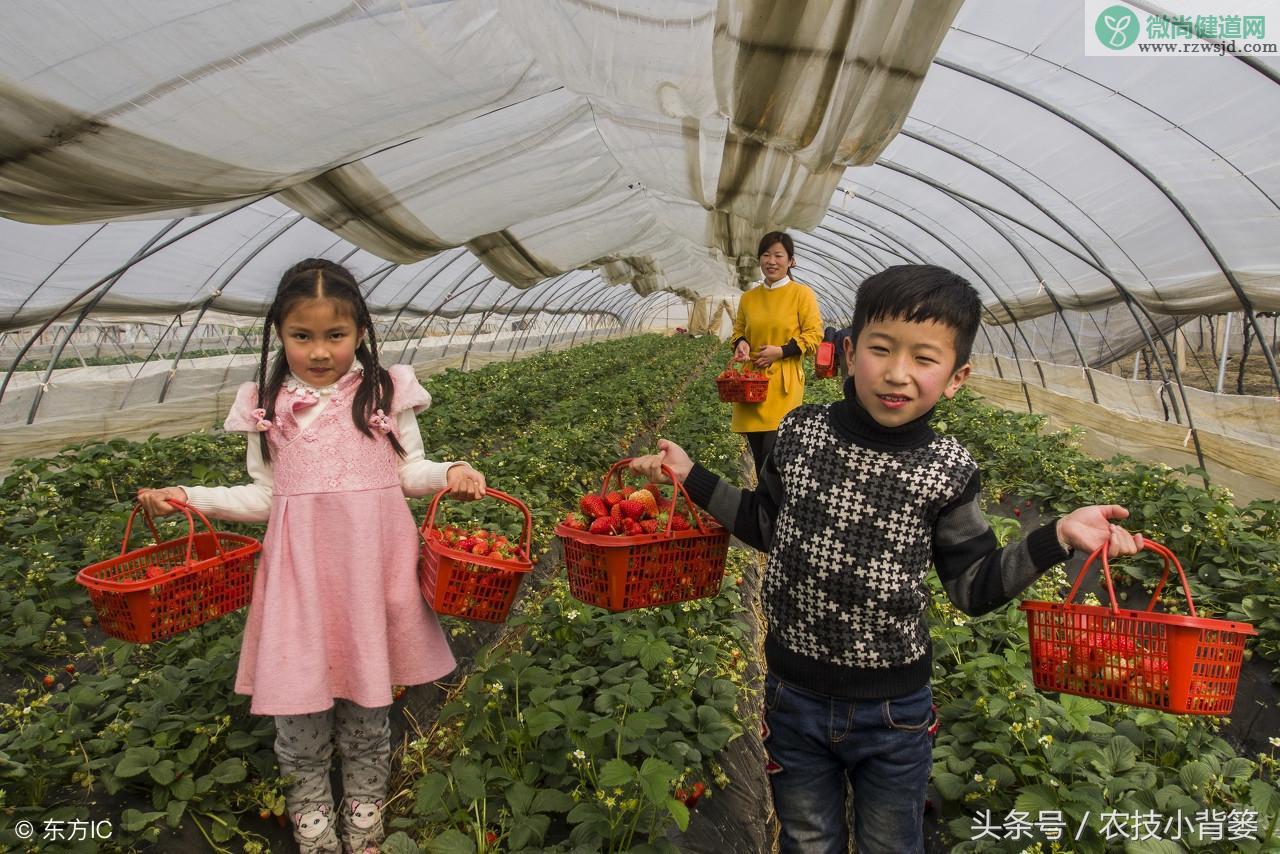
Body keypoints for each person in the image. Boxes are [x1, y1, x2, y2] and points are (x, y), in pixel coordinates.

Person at [632, 264, 1143, 854]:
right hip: (792, 694)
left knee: (890, 843)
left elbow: (973, 587)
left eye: (925, 359)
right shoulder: (800, 433)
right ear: (850, 353)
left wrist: (1057, 535)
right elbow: (766, 525)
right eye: (881, 349)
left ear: (957, 377)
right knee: (807, 838)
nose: (897, 373)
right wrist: (691, 476)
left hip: (894, 710)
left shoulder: (947, 470)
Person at [137, 259, 486, 854]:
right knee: (299, 704)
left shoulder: (382, 391)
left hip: (372, 570)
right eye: (303, 336)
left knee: (367, 702)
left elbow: (408, 469)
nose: (319, 351)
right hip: (300, 578)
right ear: (279, 332)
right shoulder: (266, 404)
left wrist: (449, 471)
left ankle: (365, 811)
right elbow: (265, 495)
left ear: (361, 333)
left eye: (335, 336)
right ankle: (312, 820)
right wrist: (189, 498)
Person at [730, 231, 824, 478]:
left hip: (783, 385)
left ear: (791, 261)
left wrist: (781, 351)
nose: (771, 261)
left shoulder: (801, 294)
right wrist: (741, 344)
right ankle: (764, 508)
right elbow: (738, 330)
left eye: (778, 255)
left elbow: (814, 335)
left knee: (776, 454)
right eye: (766, 254)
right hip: (752, 384)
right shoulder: (749, 298)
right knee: (759, 453)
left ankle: (775, 508)